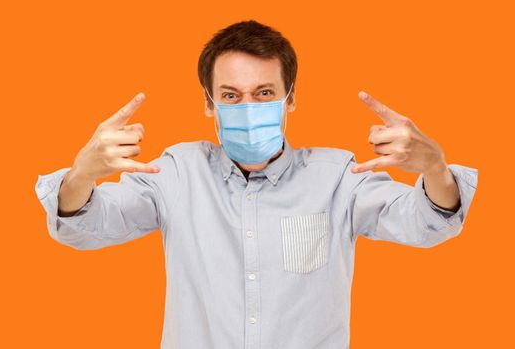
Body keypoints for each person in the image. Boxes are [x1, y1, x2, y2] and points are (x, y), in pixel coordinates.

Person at [35, 20, 479, 349]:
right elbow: (85, 225)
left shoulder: (338, 177)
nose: (248, 106)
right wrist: (83, 175)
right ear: (209, 104)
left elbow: (428, 223)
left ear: (291, 98)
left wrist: (436, 169)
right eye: (231, 95)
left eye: (264, 93)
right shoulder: (175, 172)